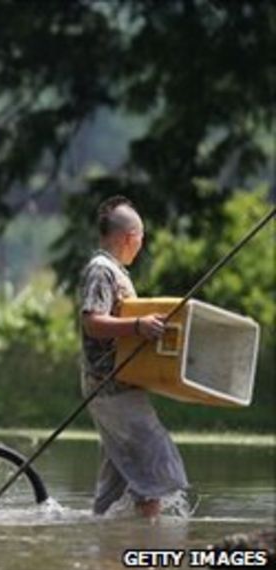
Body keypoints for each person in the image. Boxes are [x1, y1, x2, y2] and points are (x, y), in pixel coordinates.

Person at [79, 195, 188, 519]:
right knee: (155, 470)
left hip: (120, 385)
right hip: (110, 387)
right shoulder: (102, 271)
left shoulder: (114, 271)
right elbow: (92, 322)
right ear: (130, 238)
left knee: (118, 482)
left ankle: (106, 550)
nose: (141, 245)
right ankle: (148, 557)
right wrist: (138, 326)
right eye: (141, 238)